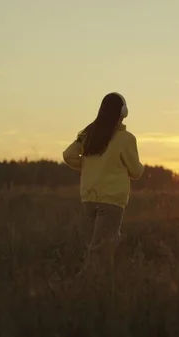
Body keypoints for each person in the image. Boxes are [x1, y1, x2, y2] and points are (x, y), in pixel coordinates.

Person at [62, 92, 144, 284]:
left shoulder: (90, 134)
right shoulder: (126, 139)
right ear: (123, 112)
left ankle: (97, 289)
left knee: (94, 246)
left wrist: (88, 167)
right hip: (111, 201)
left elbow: (68, 155)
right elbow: (135, 171)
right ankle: (86, 288)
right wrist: (141, 167)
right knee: (101, 251)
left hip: (88, 198)